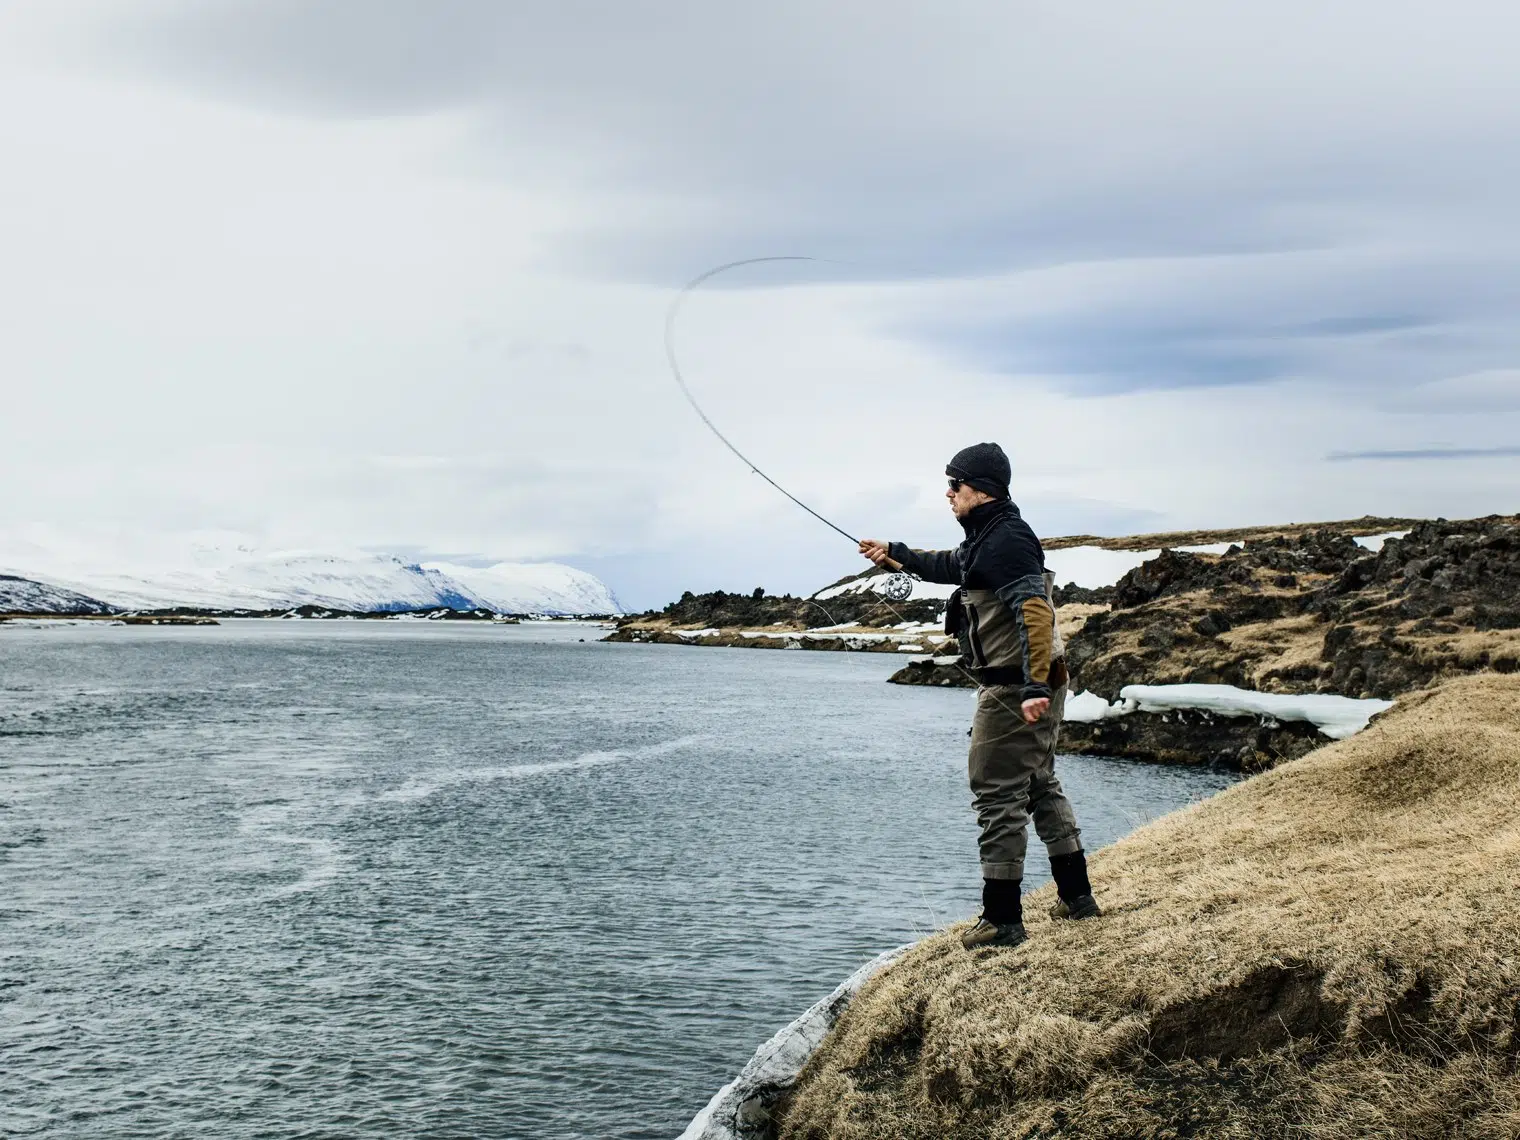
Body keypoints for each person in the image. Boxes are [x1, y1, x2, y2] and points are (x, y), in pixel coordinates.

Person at [859, 442, 1101, 949]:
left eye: (955, 485)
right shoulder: (990, 535)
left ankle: (1003, 921)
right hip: (1034, 682)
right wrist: (896, 555)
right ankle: (1077, 898)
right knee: (1038, 781)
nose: (948, 494)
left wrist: (1033, 688)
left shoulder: (1006, 540)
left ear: (981, 490)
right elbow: (952, 564)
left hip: (1017, 688)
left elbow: (1035, 613)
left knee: (995, 792)